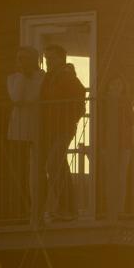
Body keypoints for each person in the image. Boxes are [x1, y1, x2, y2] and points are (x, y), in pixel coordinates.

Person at [40, 45, 86, 221]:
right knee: (59, 166)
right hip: (51, 128)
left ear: (61, 59)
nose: (48, 62)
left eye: (51, 58)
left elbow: (80, 101)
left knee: (53, 164)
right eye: (46, 58)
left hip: (63, 128)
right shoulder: (49, 78)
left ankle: (64, 207)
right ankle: (67, 208)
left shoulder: (67, 77)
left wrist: (69, 119)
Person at [7, 46, 46, 217]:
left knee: (37, 172)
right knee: (21, 173)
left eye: (25, 58)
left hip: (37, 130)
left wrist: (29, 78)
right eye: (19, 58)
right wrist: (23, 75)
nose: (21, 62)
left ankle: (38, 208)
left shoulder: (42, 78)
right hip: (18, 132)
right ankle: (23, 211)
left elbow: (34, 97)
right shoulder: (13, 78)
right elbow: (16, 98)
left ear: (34, 60)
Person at [101, 75, 134, 219]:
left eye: (119, 84)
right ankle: (111, 210)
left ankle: (119, 210)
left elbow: (132, 120)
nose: (116, 87)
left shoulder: (126, 102)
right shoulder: (102, 102)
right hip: (108, 144)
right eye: (113, 84)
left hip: (123, 144)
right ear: (108, 86)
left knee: (121, 177)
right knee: (110, 177)